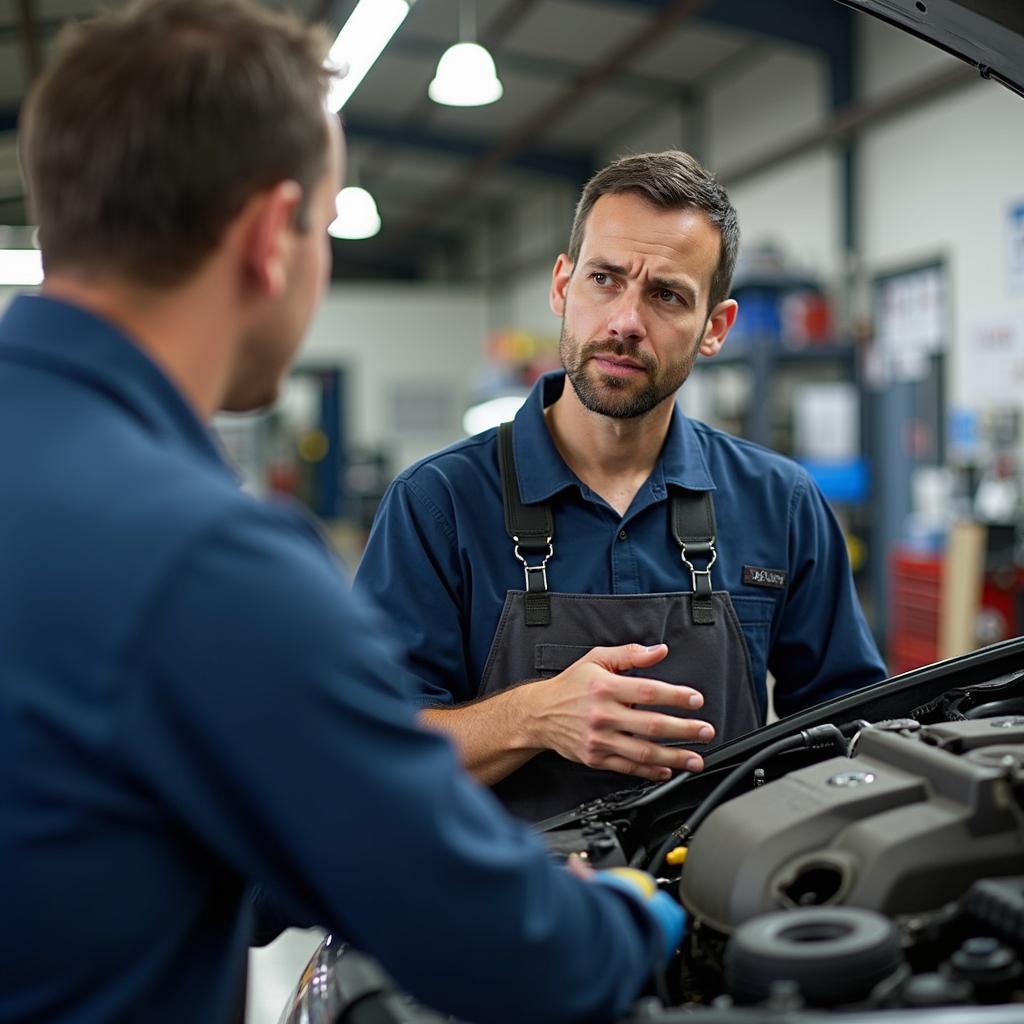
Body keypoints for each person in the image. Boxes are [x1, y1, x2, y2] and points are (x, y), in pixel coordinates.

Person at [0, 3, 686, 1022]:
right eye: (324, 227)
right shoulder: (204, 564)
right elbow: (500, 942)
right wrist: (640, 910)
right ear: (273, 236)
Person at [355, 150, 887, 822]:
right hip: (503, 909)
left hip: (713, 903)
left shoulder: (780, 503)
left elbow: (851, 732)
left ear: (715, 329)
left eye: (666, 295)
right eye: (605, 279)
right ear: (561, 286)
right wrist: (533, 716)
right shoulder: (438, 505)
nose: (626, 321)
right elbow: (369, 750)